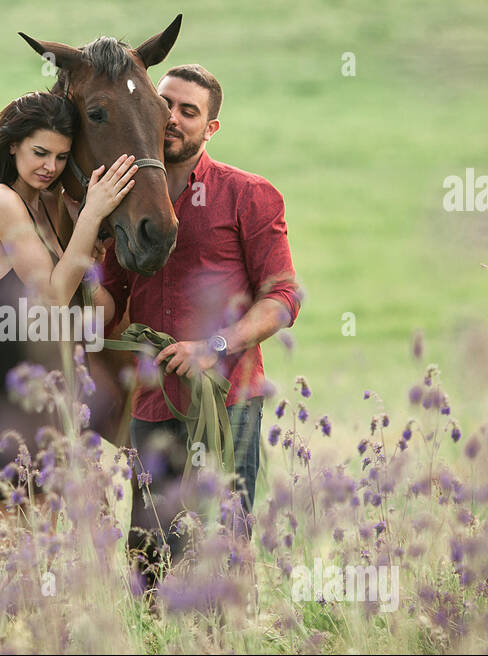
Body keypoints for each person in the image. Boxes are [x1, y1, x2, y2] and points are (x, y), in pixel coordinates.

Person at [97, 64, 302, 591]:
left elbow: (282, 297)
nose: (173, 118)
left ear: (211, 127)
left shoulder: (250, 195)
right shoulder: (127, 197)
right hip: (151, 401)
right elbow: (111, 295)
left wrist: (214, 346)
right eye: (166, 105)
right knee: (148, 548)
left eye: (189, 111)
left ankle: (225, 639)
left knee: (223, 540)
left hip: (226, 399)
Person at [0, 90, 138, 516]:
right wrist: (90, 217)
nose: (51, 167)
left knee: (45, 520)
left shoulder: (46, 205)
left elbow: (95, 310)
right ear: (13, 145)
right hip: (0, 366)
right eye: (40, 153)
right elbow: (52, 298)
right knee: (2, 520)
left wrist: (88, 259)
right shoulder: (2, 202)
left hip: (41, 364)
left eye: (62, 157)